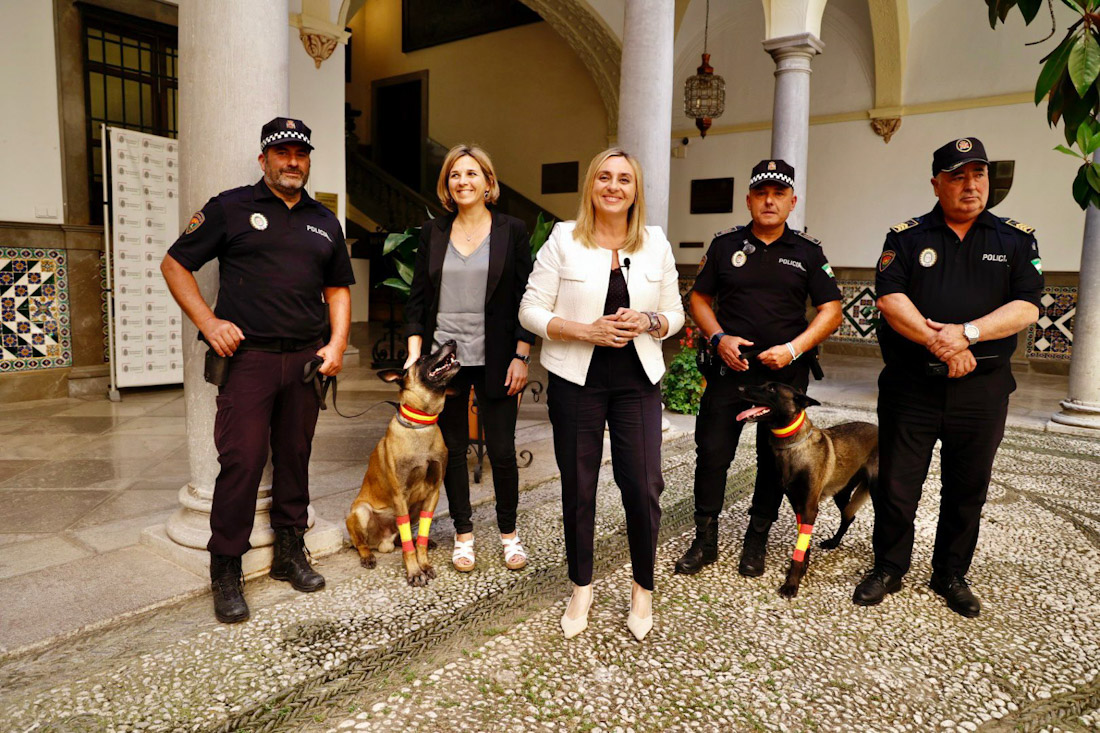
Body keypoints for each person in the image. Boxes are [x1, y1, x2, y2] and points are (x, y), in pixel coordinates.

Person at [161, 117, 354, 624]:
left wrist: (336, 344)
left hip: (308, 360)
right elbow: (174, 264)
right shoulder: (230, 207)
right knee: (243, 460)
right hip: (249, 360)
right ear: (263, 159)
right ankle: (225, 568)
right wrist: (208, 320)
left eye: (301, 154)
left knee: (295, 456)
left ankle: (290, 554)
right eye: (283, 153)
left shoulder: (324, 220)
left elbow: (337, 289)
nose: (293, 161)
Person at [853, 137, 1042, 617]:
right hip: (912, 386)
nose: (970, 184)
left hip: (982, 390)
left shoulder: (1015, 239)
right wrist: (941, 341)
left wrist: (968, 334)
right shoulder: (906, 237)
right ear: (936, 183)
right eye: (957, 176)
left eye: (978, 174)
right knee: (897, 484)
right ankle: (889, 567)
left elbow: (1026, 306)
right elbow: (890, 300)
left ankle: (951, 573)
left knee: (968, 487)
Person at [519, 148, 684, 641]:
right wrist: (580, 331)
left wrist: (650, 320)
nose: (614, 186)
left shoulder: (656, 243)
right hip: (577, 381)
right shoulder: (563, 239)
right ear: (592, 186)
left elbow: (675, 314)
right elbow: (530, 310)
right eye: (605, 178)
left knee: (643, 486)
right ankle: (581, 588)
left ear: (636, 191)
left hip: (638, 382)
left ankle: (642, 590)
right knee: (579, 488)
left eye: (624, 180)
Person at [675, 159, 842, 578]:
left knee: (775, 462)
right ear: (749, 199)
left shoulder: (808, 252)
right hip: (729, 373)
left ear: (792, 202)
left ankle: (756, 541)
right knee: (712, 454)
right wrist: (718, 338)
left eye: (779, 194)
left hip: (783, 380)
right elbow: (699, 299)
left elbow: (832, 310)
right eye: (762, 193)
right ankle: (705, 539)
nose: (770, 200)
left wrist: (794, 348)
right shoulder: (723, 245)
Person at [404, 144, 535, 573]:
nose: (463, 181)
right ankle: (463, 535)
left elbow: (526, 296)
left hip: (497, 357)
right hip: (446, 363)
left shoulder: (512, 230)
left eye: (472, 173)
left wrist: (522, 353)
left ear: (488, 182)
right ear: (448, 185)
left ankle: (509, 535)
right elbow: (418, 299)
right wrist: (414, 355)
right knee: (454, 451)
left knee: (501, 449)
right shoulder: (433, 233)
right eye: (455, 175)